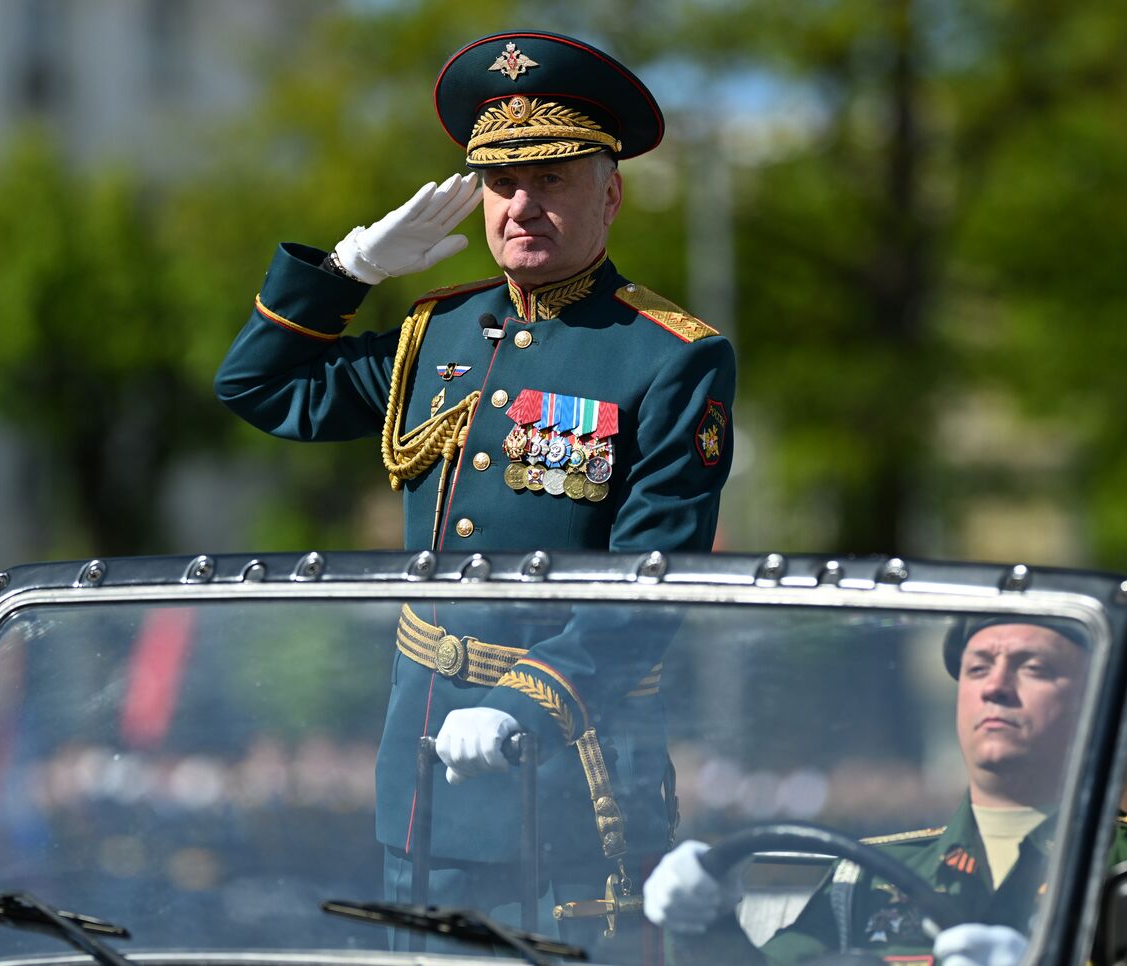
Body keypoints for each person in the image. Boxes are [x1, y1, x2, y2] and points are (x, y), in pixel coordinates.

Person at [215, 30, 736, 949]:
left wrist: (526, 700)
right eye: (502, 184)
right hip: (420, 778)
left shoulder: (669, 357)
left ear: (609, 194)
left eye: (553, 180)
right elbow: (258, 388)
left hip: (571, 775)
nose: (522, 205)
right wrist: (347, 273)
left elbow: (652, 587)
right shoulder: (437, 336)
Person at [642, 616, 1127, 965]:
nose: (995, 686)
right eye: (978, 667)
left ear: (1094, 699)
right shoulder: (859, 880)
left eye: (1032, 667)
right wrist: (704, 922)